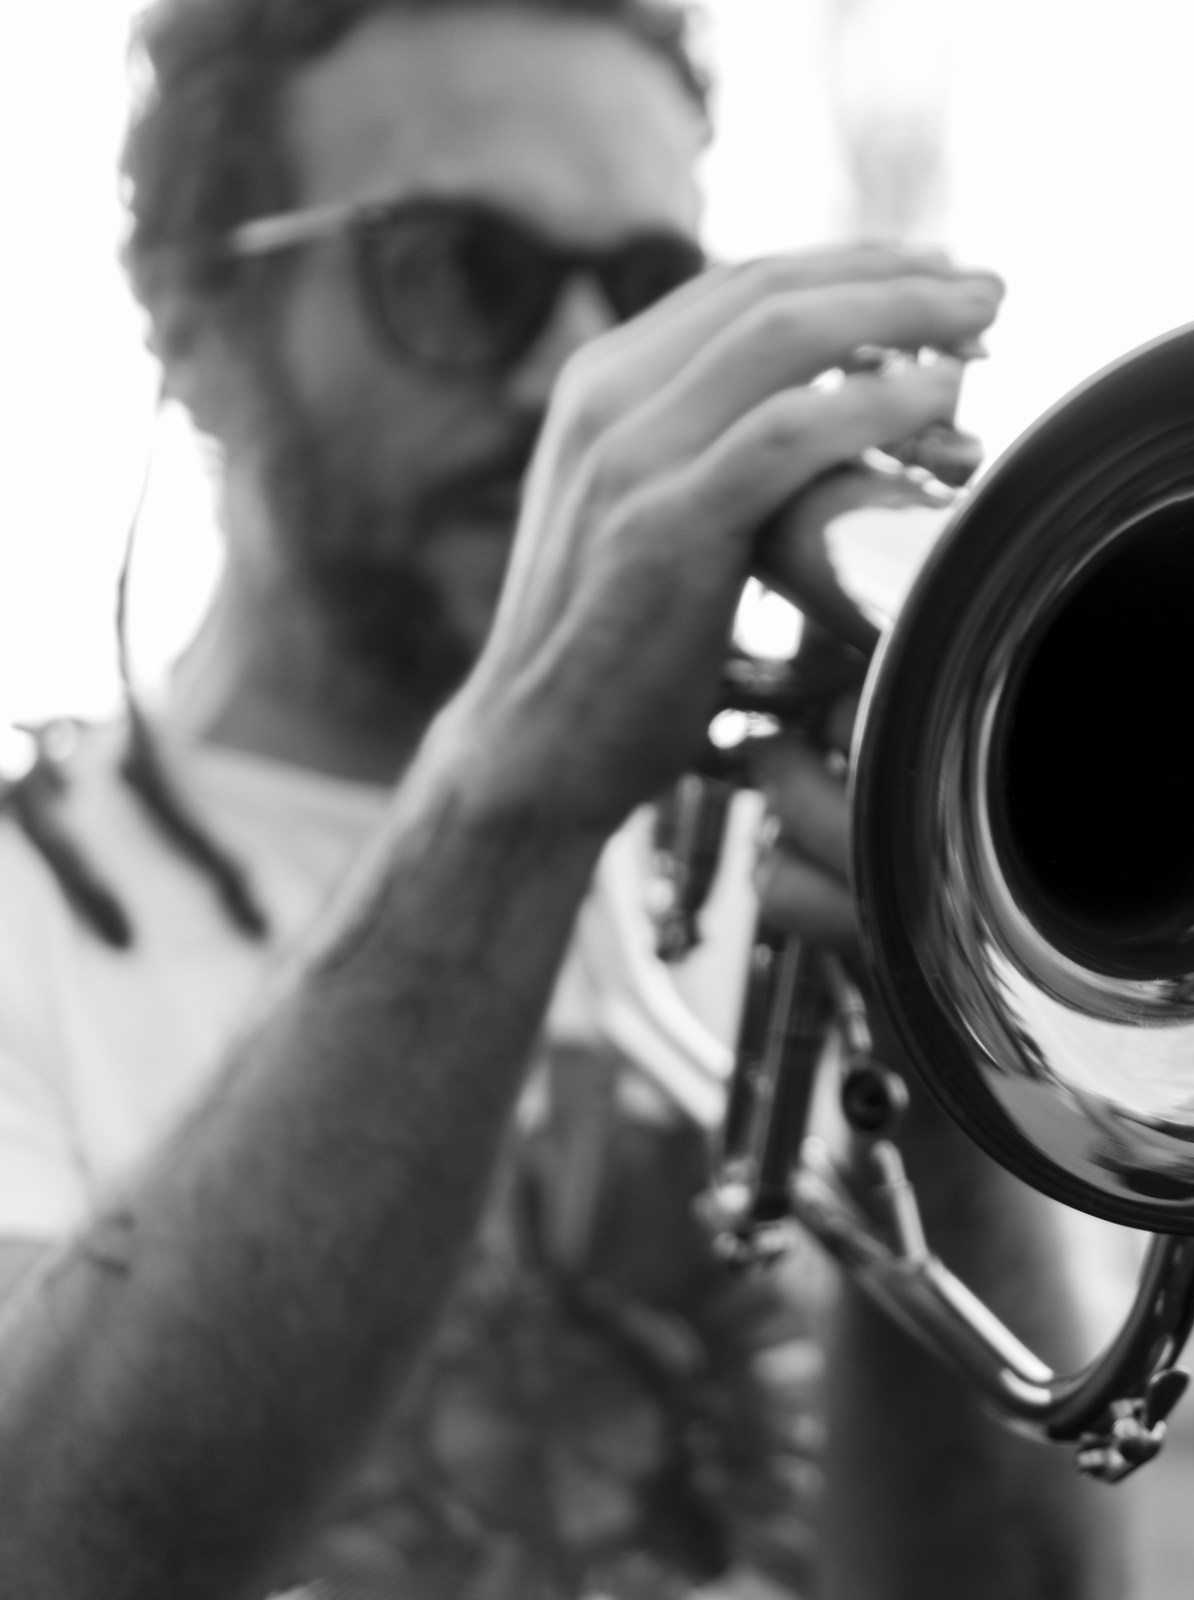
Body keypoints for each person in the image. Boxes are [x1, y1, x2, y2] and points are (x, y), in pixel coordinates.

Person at [0, 1, 1121, 1596]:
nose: (577, 382)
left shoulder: (790, 857)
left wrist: (953, 1088)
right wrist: (508, 801)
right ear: (194, 326)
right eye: (463, 269)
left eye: (652, 293)